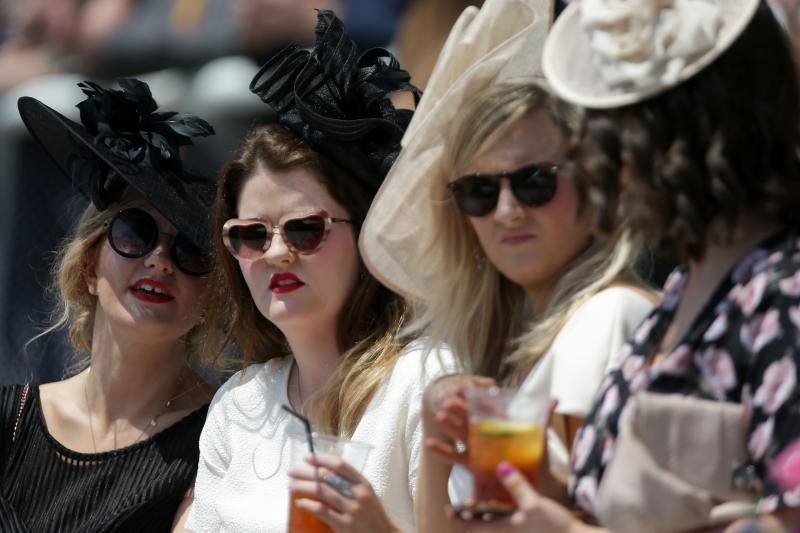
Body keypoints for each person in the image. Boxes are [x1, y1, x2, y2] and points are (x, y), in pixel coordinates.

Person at [453, 0, 800, 531]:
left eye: (617, 130)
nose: (597, 158)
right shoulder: (686, 290)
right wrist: (541, 486)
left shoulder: (784, 293)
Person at [358, 0, 656, 530]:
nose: (508, 210)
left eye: (535, 180)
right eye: (478, 192)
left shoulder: (606, 317)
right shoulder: (503, 353)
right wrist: (436, 447)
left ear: (595, 184)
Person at [185, 10, 451, 532]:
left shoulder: (424, 382)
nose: (276, 253)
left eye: (306, 229)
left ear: (366, 236)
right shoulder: (237, 405)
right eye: (251, 235)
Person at [6, 78, 218, 531]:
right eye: (135, 233)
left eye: (192, 250)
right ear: (89, 265)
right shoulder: (9, 419)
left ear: (211, 299)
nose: (160, 261)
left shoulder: (221, 438)